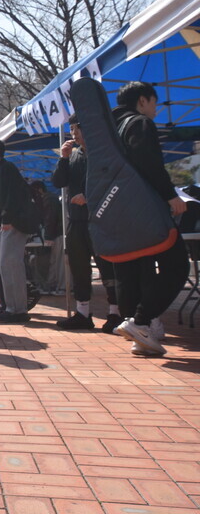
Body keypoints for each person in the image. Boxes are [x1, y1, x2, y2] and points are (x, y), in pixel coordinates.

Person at [110, 81, 189, 356]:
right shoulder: (139, 123)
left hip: (118, 213)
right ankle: (140, 322)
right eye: (155, 103)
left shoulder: (107, 130)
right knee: (178, 266)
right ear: (143, 101)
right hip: (146, 211)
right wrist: (171, 196)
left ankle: (138, 334)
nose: (156, 110)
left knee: (132, 273)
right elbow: (150, 164)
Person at [52, 114, 120, 331]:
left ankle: (115, 313)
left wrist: (90, 198)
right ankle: (83, 312)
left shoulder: (104, 153)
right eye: (71, 129)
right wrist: (63, 158)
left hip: (102, 220)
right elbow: (58, 182)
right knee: (79, 267)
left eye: (76, 128)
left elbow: (115, 184)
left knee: (107, 266)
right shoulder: (73, 156)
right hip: (76, 220)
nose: (74, 133)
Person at [0, 138, 38, 323]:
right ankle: (11, 307)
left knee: (12, 265)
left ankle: (18, 309)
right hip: (3, 225)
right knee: (5, 266)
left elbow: (13, 196)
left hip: (12, 224)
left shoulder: (7, 168)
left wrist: (8, 219)